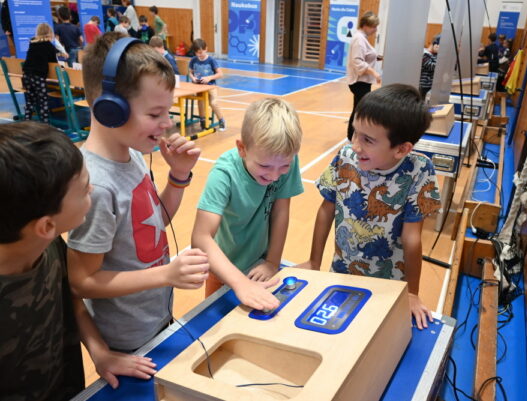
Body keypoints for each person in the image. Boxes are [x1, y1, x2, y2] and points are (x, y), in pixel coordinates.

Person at [67, 32, 209, 353]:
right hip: (126, 339)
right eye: (154, 114)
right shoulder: (96, 187)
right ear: (110, 109)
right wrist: (166, 274)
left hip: (156, 319)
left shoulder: (131, 155)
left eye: (166, 113)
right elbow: (82, 281)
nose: (166, 124)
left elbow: (154, 223)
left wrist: (178, 176)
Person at [0, 122, 158, 399]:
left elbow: (71, 299)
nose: (92, 190)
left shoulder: (47, 246)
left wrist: (100, 353)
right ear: (47, 225)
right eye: (85, 189)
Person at [298, 84, 441, 330]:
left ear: (402, 149)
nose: (356, 145)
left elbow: (412, 237)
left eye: (368, 140)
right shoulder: (345, 157)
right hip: (340, 273)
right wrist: (313, 261)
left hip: (390, 285)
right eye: (355, 133)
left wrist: (412, 293)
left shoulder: (420, 169)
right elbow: (326, 209)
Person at [191, 98, 304, 310]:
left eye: (284, 166)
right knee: (216, 324)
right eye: (264, 165)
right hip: (223, 268)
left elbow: (281, 211)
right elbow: (200, 237)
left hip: (260, 264)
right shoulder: (224, 174)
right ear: (242, 148)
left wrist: (272, 261)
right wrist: (239, 282)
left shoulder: (283, 160)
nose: (274, 175)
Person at [346, 11, 381, 141]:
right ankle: (352, 137)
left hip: (363, 82)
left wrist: (378, 57)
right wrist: (374, 72)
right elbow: (357, 61)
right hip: (359, 82)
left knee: (358, 110)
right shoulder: (359, 39)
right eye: (374, 26)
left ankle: (352, 136)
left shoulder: (362, 38)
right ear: (366, 25)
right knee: (360, 111)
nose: (375, 29)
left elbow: (366, 55)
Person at [22, 23, 59, 123]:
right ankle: (45, 124)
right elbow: (54, 64)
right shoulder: (49, 46)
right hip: (38, 76)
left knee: (30, 100)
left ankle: (26, 121)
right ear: (50, 33)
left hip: (26, 75)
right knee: (43, 101)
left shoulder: (32, 43)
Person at [188, 38, 226, 131]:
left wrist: (209, 78)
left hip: (211, 86)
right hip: (199, 86)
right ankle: (203, 121)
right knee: (200, 102)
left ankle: (221, 120)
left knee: (213, 103)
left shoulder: (211, 60)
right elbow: (190, 72)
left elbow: (220, 74)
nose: (199, 55)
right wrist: (193, 78)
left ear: (206, 49)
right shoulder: (193, 60)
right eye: (197, 53)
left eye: (201, 52)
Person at [419, 35, 440, 99]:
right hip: (423, 86)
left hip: (430, 85)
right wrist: (438, 54)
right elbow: (434, 67)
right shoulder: (424, 54)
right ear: (435, 44)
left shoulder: (434, 55)